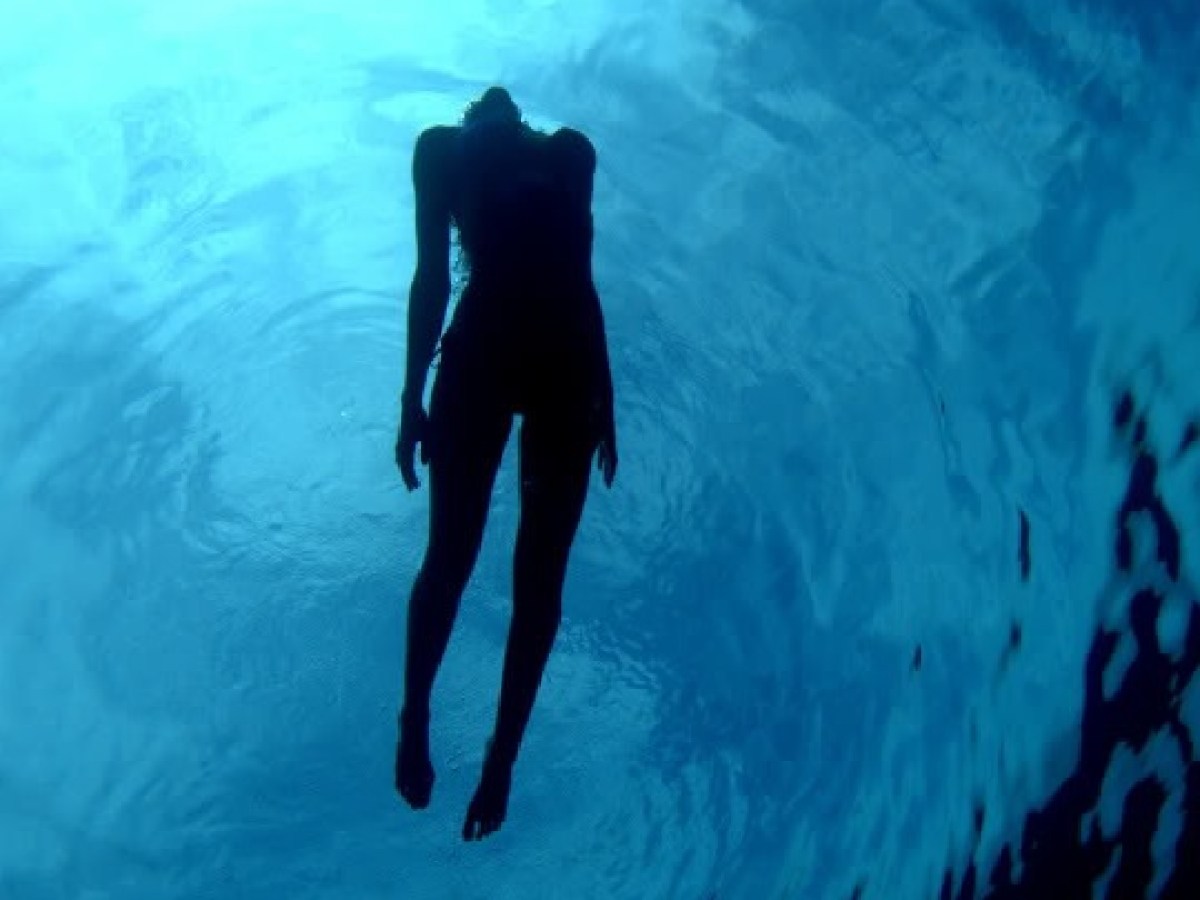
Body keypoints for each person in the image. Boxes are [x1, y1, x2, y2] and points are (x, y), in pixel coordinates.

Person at [393, 86, 617, 842]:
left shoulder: (569, 153)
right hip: (498, 347)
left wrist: (605, 400)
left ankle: (501, 759)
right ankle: (417, 712)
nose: (495, 95)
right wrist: (409, 399)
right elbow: (431, 278)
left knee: (535, 584)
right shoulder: (443, 152)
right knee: (452, 558)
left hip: (556, 363)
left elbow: (582, 277)